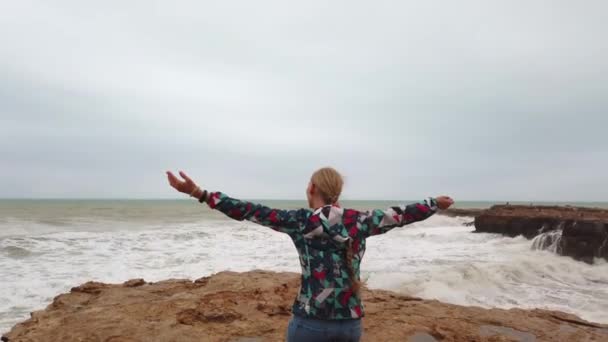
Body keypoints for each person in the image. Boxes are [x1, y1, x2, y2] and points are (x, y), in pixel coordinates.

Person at [167, 167, 454, 342]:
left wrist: (200, 193)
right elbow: (400, 215)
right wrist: (434, 203)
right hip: (350, 324)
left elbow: (249, 210)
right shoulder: (360, 221)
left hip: (311, 323)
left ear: (312, 188)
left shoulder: (302, 221)